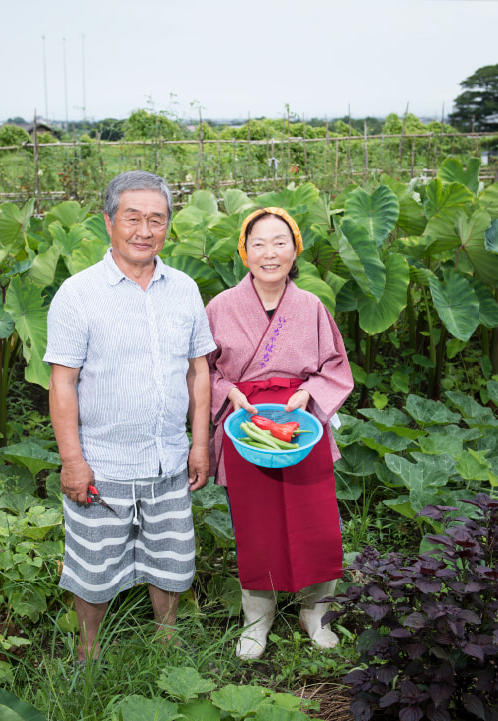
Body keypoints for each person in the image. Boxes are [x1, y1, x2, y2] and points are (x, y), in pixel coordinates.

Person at [44, 170, 216, 662]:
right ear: (109, 222)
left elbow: (198, 370)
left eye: (156, 219)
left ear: (168, 226)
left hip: (168, 457)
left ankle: (166, 640)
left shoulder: (183, 289)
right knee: (94, 563)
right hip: (103, 460)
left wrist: (199, 444)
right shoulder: (77, 294)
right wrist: (72, 460)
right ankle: (88, 650)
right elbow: (63, 383)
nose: (144, 230)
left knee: (172, 555)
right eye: (132, 218)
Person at [206, 207, 353, 660]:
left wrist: (310, 393)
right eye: (259, 244)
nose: (270, 253)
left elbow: (335, 368)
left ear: (295, 250)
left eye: (280, 243)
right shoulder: (220, 308)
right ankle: (257, 616)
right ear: (244, 252)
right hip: (246, 426)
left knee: (318, 525)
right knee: (255, 527)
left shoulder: (310, 306)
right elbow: (200, 373)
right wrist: (227, 391)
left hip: (300, 424)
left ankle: (317, 610)